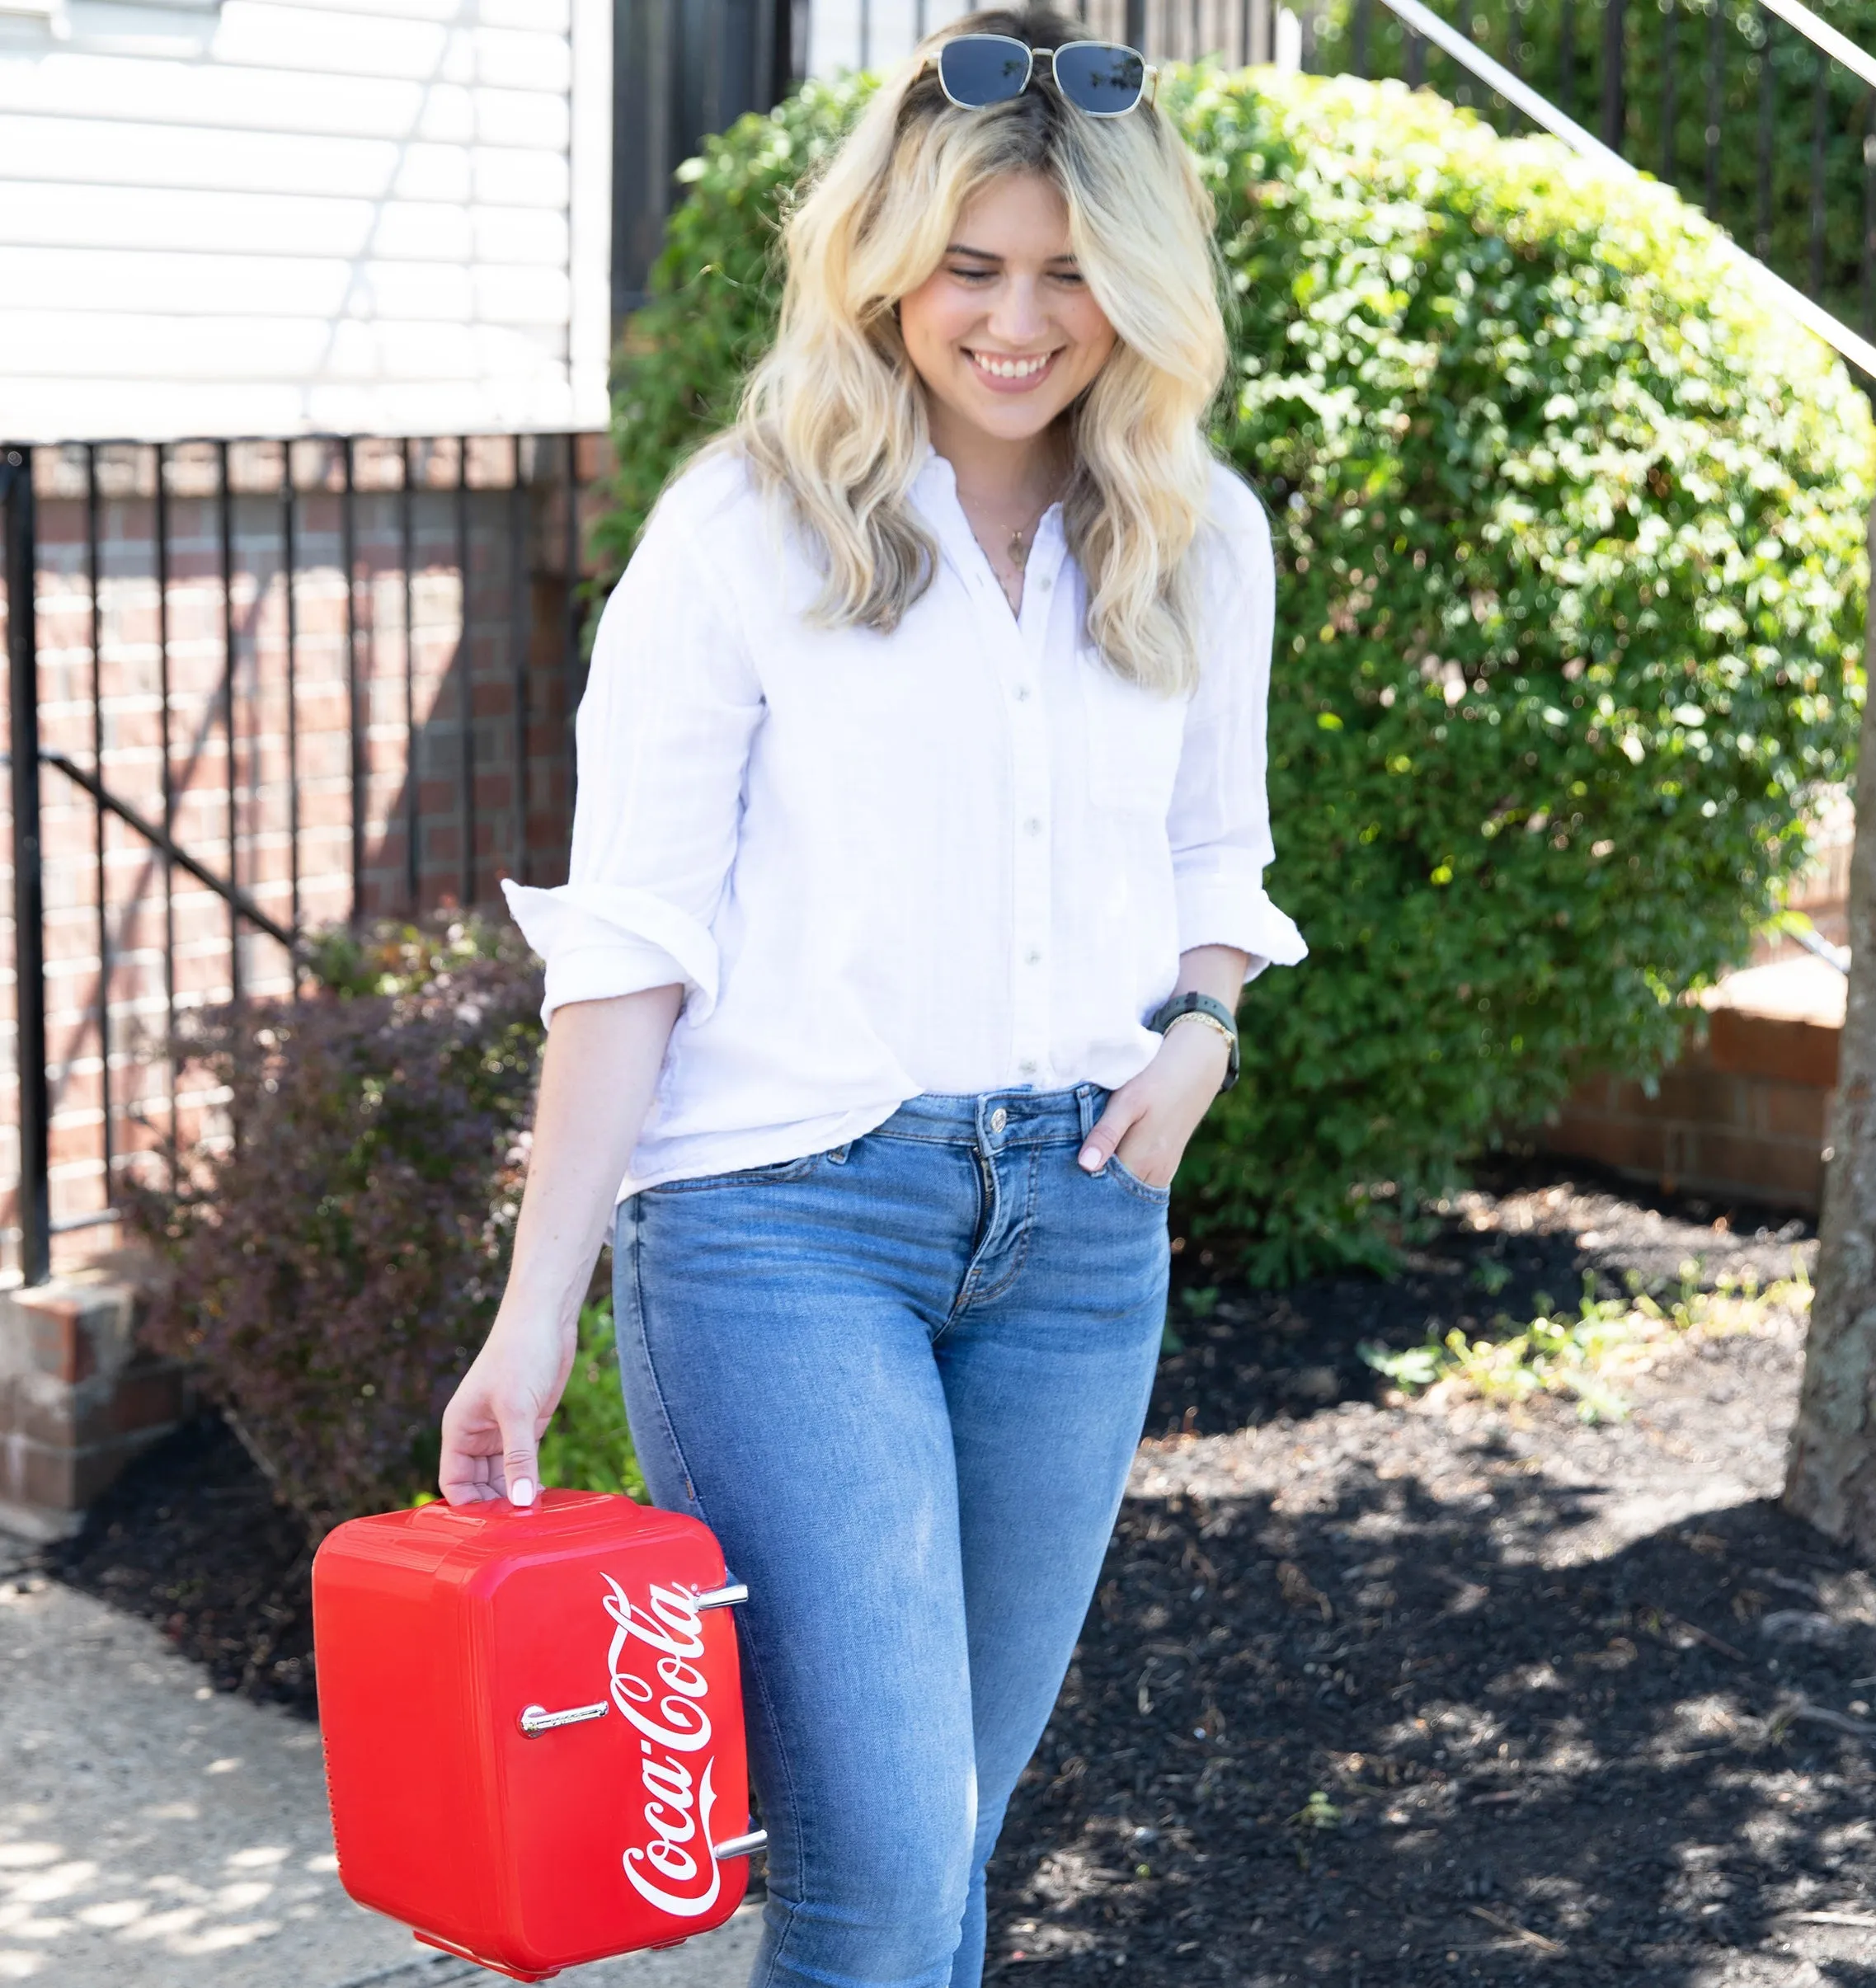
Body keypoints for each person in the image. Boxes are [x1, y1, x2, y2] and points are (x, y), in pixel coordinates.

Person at [439, 9, 1305, 1982]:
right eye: (969, 267)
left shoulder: (1197, 537)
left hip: (1084, 1229)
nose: (1015, 321)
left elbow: (1212, 863)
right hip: (778, 1228)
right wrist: (529, 1314)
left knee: (948, 1836)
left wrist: (1204, 1018)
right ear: (883, 264)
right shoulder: (740, 533)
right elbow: (632, 937)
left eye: (1070, 273)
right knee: (882, 1859)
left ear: (1143, 288)